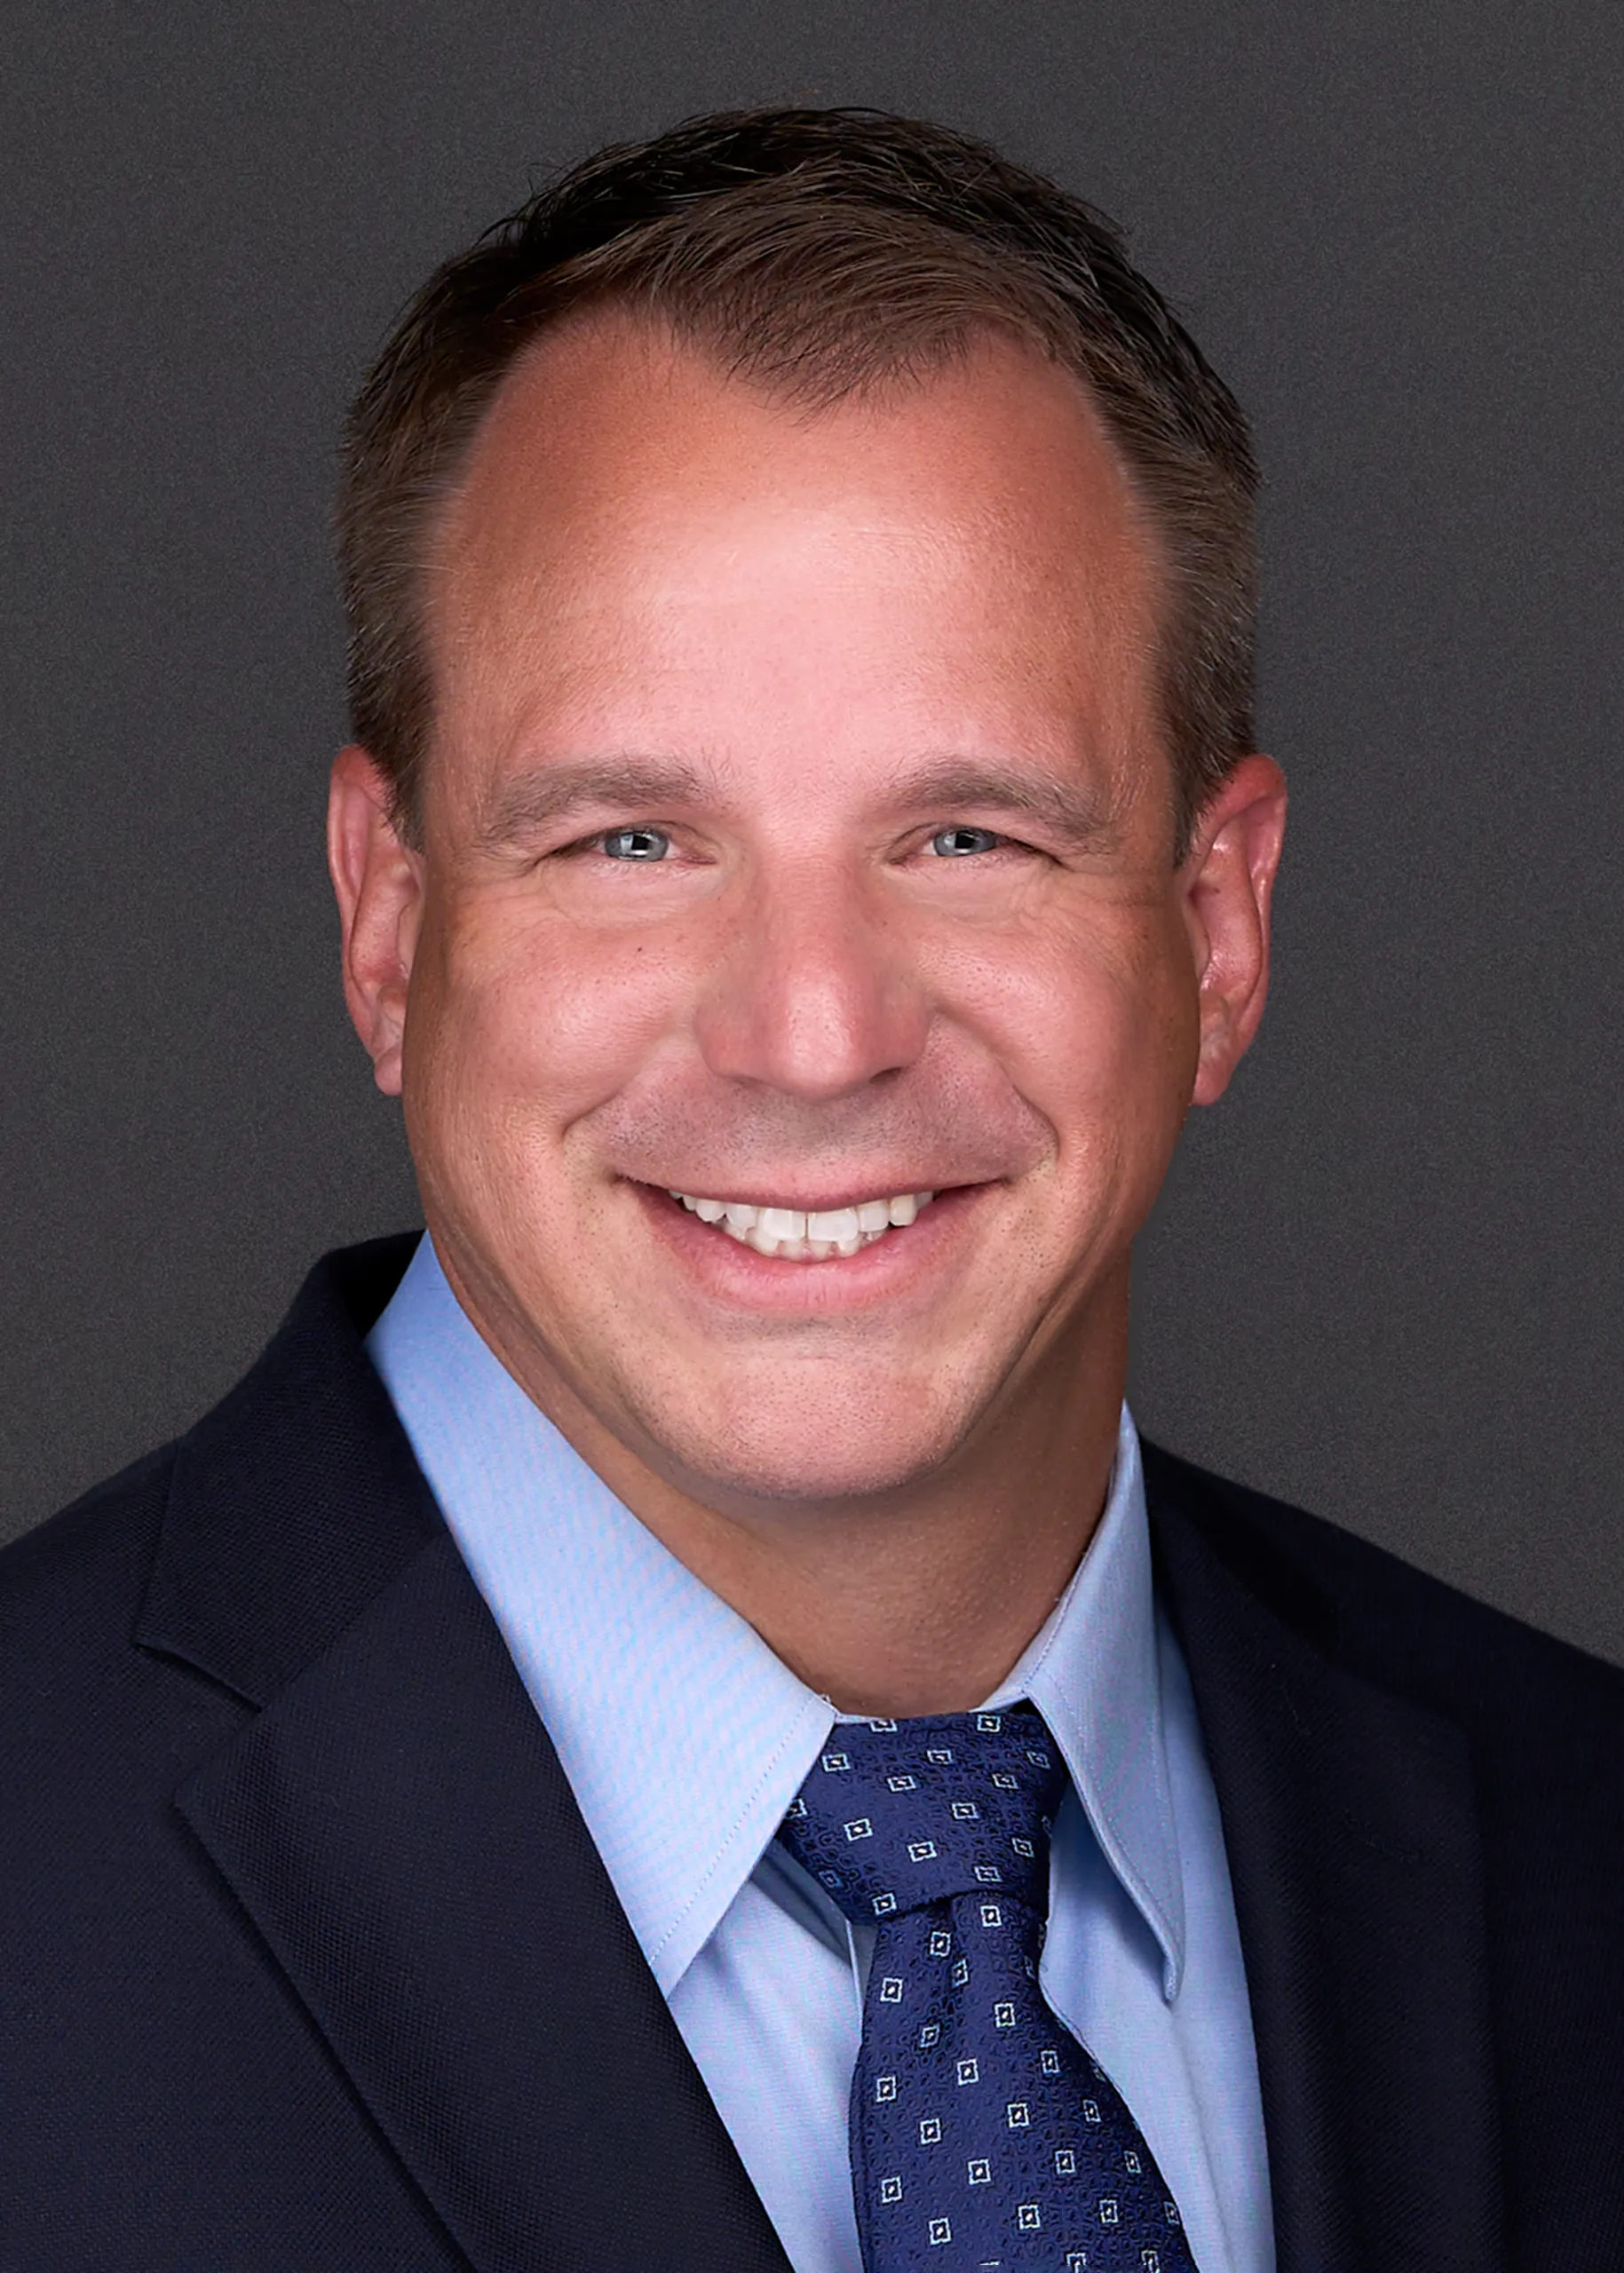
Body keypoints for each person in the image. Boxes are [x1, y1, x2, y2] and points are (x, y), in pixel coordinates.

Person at [3, 104, 1621, 2273]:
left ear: (1216, 931)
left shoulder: (1571, 1832)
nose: (809, 1030)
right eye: (629, 841)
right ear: (388, 925)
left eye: (966, 837)